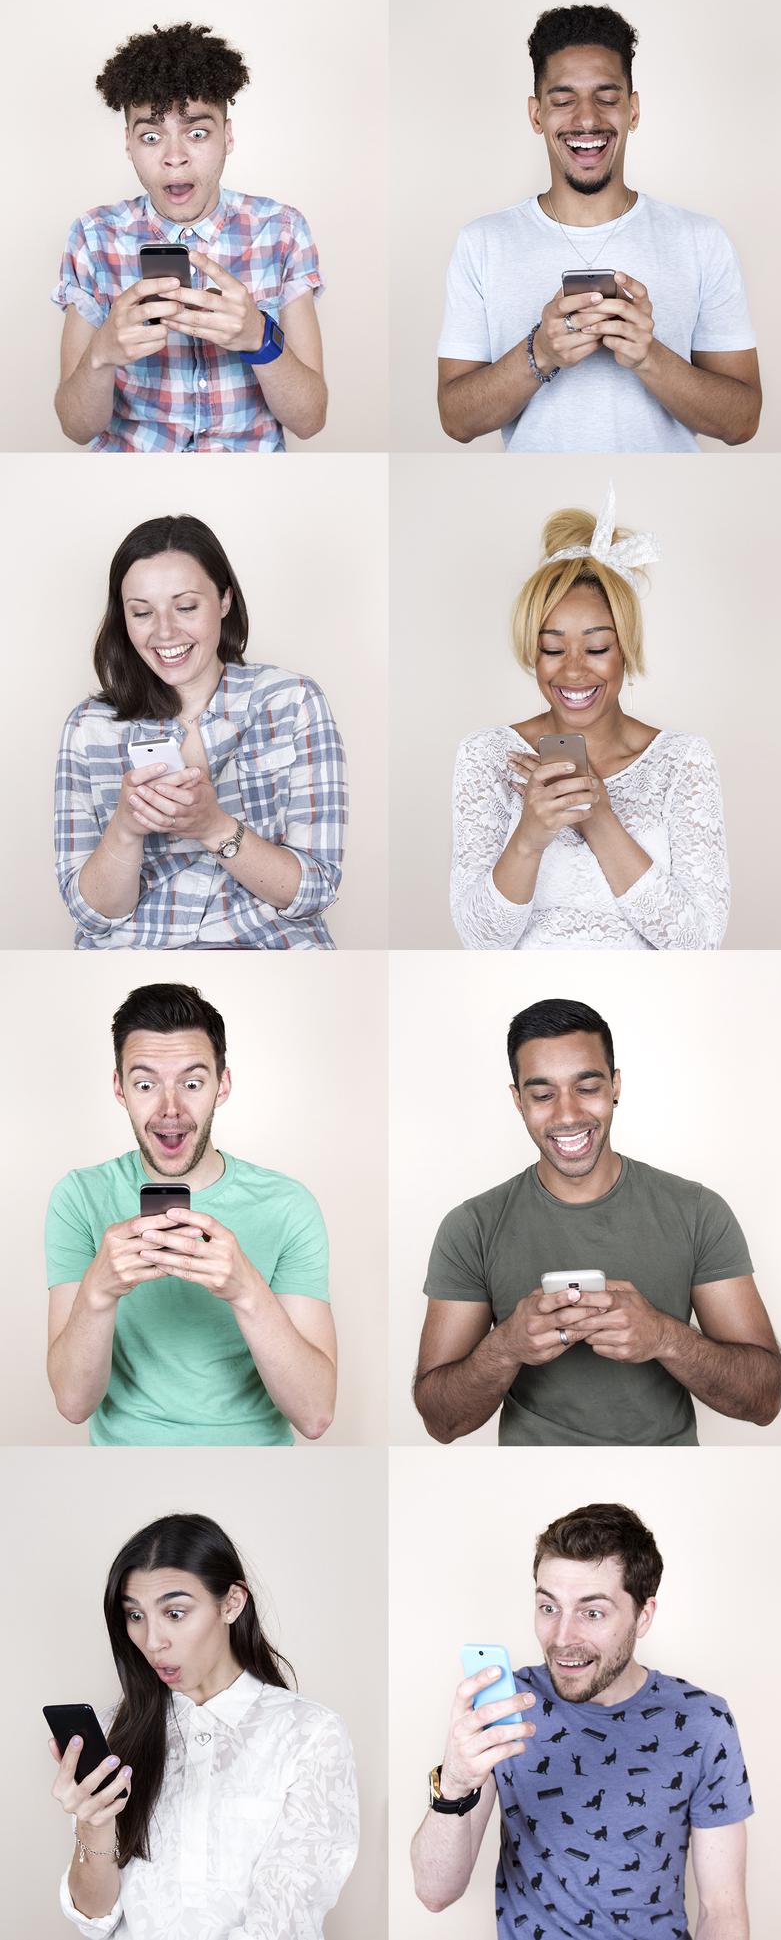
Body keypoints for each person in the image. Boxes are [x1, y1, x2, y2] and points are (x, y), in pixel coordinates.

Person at [411, 998, 781, 1445]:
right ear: (518, 1101)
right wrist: (507, 1345)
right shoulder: (470, 1227)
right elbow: (441, 1421)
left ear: (615, 1087)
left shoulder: (698, 1211)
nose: (567, 1114)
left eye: (586, 1087)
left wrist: (665, 1337)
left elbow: (765, 1401)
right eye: (543, 1095)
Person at [410, 1503, 753, 1933]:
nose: (562, 1638)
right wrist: (455, 1785)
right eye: (548, 1608)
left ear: (643, 1616)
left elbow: (721, 1911)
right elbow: (434, 1891)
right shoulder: (505, 1708)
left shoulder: (704, 1722)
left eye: (592, 1612)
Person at [437, 4, 762, 451]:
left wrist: (650, 357)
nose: (587, 120)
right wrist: (541, 353)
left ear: (633, 110)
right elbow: (456, 419)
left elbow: (742, 421)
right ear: (536, 115)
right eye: (563, 100)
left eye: (607, 98)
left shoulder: (700, 240)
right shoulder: (482, 244)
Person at [46, 984, 338, 1445]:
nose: (170, 1109)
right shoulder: (79, 1196)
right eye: (145, 1084)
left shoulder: (288, 1203)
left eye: (192, 1083)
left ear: (222, 1085)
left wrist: (246, 1289)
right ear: (119, 1088)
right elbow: (73, 1404)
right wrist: (98, 1291)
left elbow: (316, 1414)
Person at [47, 1514, 357, 1937]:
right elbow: (95, 1918)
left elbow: (285, 1918)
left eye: (175, 1613)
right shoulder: (113, 1732)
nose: (152, 1641)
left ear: (231, 1603)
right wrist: (94, 1825)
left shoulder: (308, 1734)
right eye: (134, 1616)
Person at [55, 514, 348, 950]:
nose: (165, 632)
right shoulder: (89, 728)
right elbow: (93, 917)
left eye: (186, 606)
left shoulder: (292, 701)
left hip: (268, 946)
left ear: (225, 600)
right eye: (141, 612)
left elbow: (314, 891)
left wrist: (212, 826)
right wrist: (126, 828)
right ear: (123, 619)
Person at [450, 494, 730, 949]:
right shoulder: (486, 755)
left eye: (597, 648)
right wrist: (529, 838)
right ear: (532, 654)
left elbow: (698, 946)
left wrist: (599, 818)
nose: (574, 671)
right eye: (553, 649)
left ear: (625, 650)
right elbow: (482, 944)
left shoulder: (684, 761)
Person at [54, 22, 327, 451]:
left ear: (228, 136)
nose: (175, 157)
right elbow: (76, 427)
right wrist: (101, 354)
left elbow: (310, 419)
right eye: (151, 136)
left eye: (197, 133)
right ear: (128, 144)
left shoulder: (282, 229)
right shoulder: (93, 235)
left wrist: (258, 337)